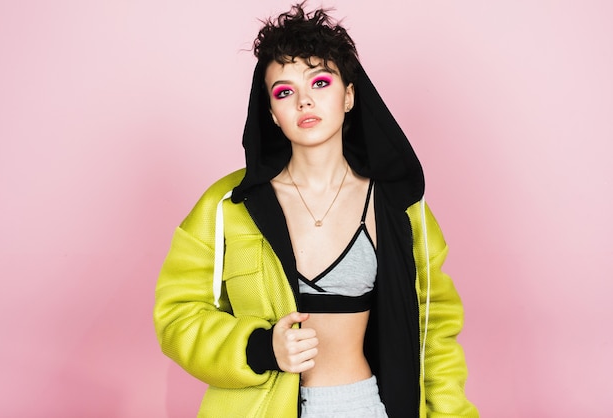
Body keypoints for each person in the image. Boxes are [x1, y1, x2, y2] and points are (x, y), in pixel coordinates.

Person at [154, 2, 478, 417]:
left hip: (362, 406)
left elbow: (435, 332)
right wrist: (258, 346)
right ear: (272, 113)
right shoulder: (228, 205)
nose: (304, 101)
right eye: (285, 91)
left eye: (320, 82)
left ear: (349, 95)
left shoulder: (398, 207)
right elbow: (177, 315)